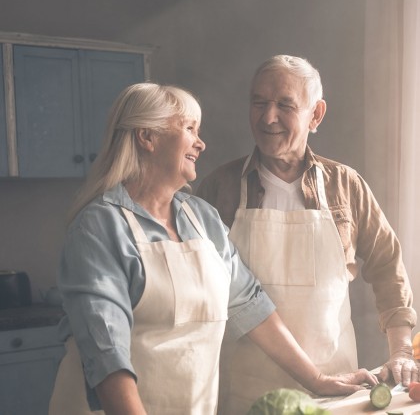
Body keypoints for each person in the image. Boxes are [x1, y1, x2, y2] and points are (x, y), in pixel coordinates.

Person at [48, 82, 377, 415]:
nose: (201, 143)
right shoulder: (99, 228)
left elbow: (250, 305)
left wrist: (318, 380)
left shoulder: (201, 218)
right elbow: (107, 354)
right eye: (189, 129)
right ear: (147, 137)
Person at [196, 54, 419, 414]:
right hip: (245, 393)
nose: (268, 117)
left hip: (336, 386)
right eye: (259, 103)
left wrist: (402, 351)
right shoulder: (218, 189)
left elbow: (387, 266)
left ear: (316, 114)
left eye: (285, 105)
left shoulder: (346, 186)